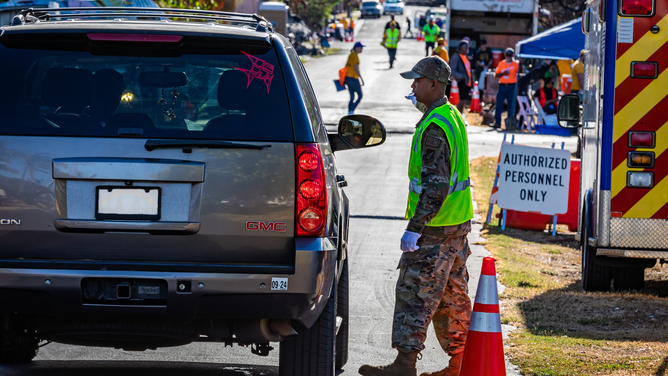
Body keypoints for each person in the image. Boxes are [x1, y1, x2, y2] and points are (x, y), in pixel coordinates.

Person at [358, 55, 473, 376]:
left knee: (414, 294)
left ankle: (404, 365)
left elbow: (435, 187)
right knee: (452, 297)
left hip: (435, 228)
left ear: (433, 84)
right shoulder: (450, 115)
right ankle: (460, 364)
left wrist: (414, 229)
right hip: (456, 225)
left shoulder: (435, 127)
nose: (412, 86)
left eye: (417, 81)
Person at [493, 47, 520, 129]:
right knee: (499, 104)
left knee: (511, 105)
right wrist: (503, 73)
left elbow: (520, 71)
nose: (508, 56)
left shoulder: (515, 64)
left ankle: (509, 123)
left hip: (511, 86)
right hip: (502, 85)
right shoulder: (501, 63)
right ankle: (497, 122)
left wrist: (520, 61)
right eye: (507, 54)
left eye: (510, 55)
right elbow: (496, 75)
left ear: (512, 55)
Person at [449, 41, 472, 113]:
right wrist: (461, 77)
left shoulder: (465, 57)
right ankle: (456, 115)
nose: (467, 48)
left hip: (466, 82)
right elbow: (452, 70)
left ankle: (460, 115)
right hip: (460, 82)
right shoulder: (456, 57)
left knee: (464, 100)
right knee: (461, 101)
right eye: (466, 47)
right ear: (461, 47)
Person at [345, 42, 365, 115]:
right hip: (353, 79)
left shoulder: (351, 55)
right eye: (361, 47)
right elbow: (356, 68)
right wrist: (361, 79)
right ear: (356, 48)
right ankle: (352, 110)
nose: (362, 49)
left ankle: (350, 111)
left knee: (352, 97)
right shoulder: (355, 55)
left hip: (348, 79)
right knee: (360, 95)